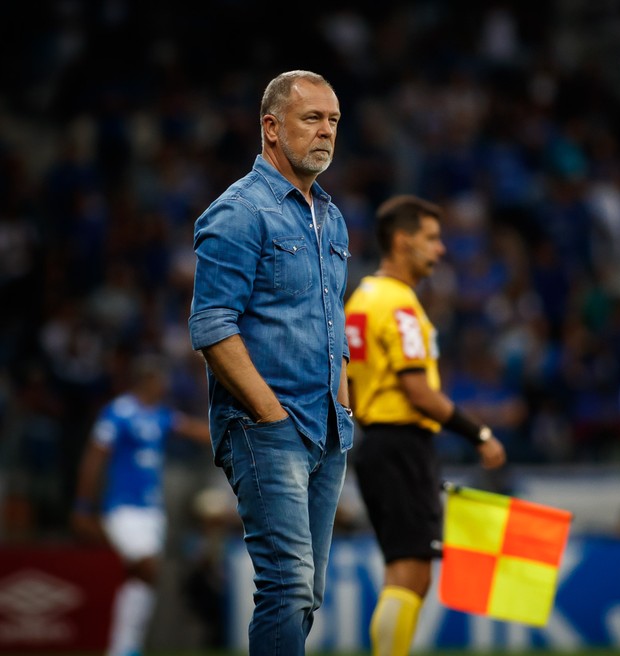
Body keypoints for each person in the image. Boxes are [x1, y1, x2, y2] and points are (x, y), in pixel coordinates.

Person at [187, 70, 354, 656]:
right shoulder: (238, 212)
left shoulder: (330, 218)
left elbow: (335, 328)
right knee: (285, 584)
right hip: (269, 427)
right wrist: (270, 413)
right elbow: (210, 326)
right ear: (271, 127)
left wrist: (343, 404)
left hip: (327, 426)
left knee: (305, 589)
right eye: (312, 119)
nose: (326, 132)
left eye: (333, 120)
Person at [345, 194, 507, 656]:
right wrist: (480, 433)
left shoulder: (361, 299)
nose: (440, 250)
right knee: (409, 572)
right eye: (432, 239)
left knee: (406, 570)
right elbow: (418, 391)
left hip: (377, 443)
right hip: (401, 443)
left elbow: (351, 388)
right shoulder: (398, 305)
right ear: (402, 241)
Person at [72, 353, 210, 656]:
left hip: (151, 509)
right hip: (122, 506)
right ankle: (124, 646)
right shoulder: (118, 413)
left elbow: (190, 429)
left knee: (146, 575)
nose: (165, 385)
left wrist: (227, 433)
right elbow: (94, 457)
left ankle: (127, 645)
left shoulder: (159, 415)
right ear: (148, 379)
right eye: (160, 380)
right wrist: (83, 505)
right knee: (146, 567)